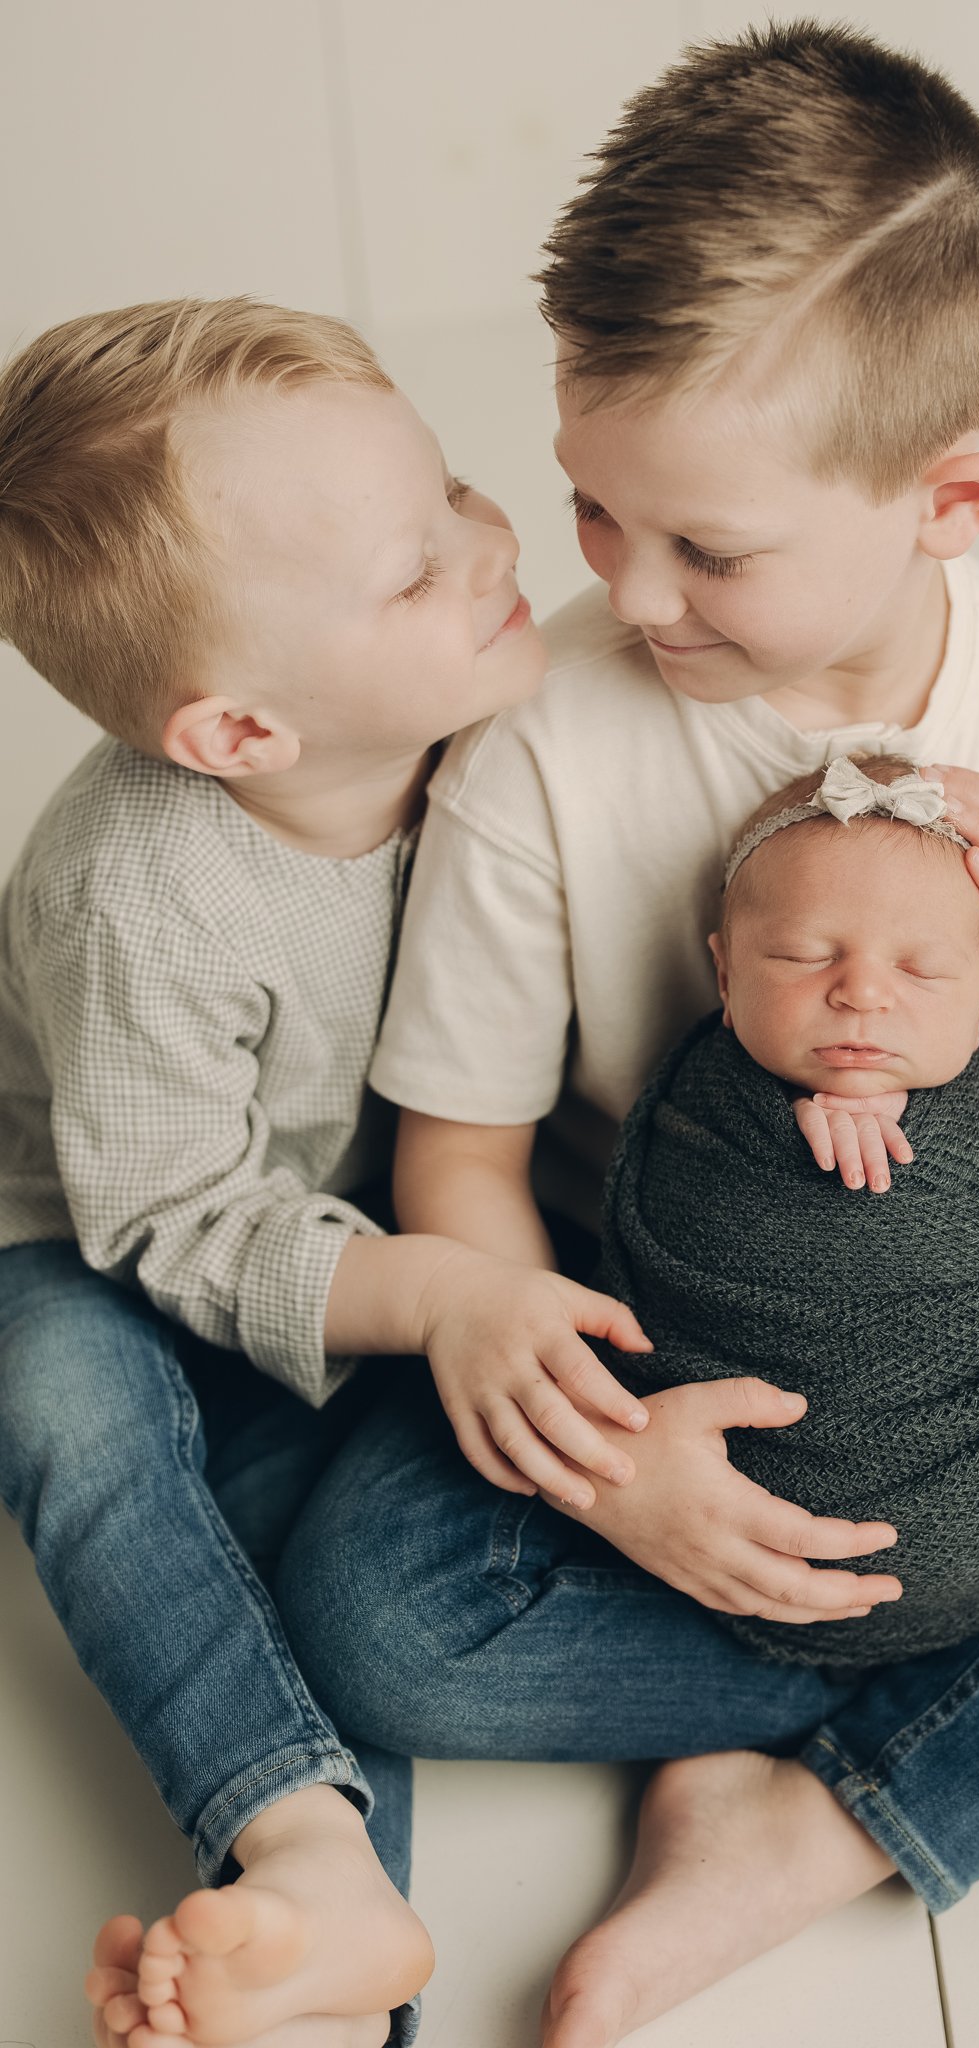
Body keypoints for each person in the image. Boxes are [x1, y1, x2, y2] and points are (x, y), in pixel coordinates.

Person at [271, 23, 979, 2048]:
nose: (628, 587)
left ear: (951, 494)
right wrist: (612, 1475)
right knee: (373, 1616)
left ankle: (818, 1814)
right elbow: (459, 1161)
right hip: (639, 1297)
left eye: (713, 546)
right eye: (597, 510)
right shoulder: (541, 734)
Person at [0, 296, 664, 2048]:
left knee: (315, 1532)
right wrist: (437, 1289)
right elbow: (167, 1214)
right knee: (84, 1427)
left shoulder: (496, 737)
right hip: (84, 1217)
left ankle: (313, 1927)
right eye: (408, 567)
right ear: (237, 735)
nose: (489, 538)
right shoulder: (136, 888)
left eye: (451, 485)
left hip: (358, 1211)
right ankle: (301, 1835)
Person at [598, 751, 979, 1671]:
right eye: (804, 956)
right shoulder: (695, 1112)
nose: (861, 992)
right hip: (731, 1524)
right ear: (724, 976)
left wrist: (922, 1121)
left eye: (924, 971)